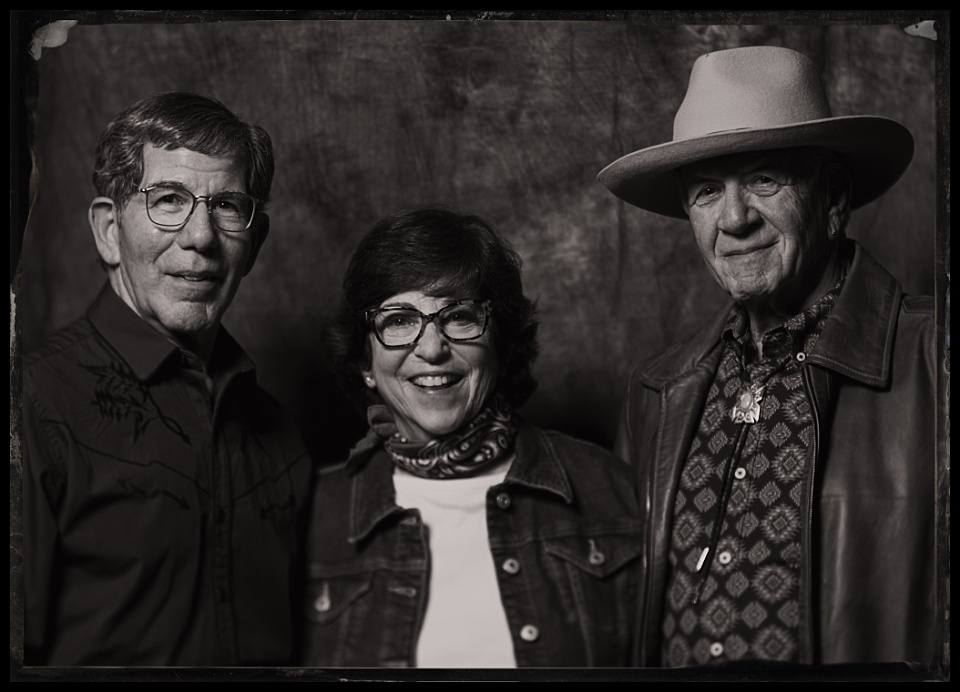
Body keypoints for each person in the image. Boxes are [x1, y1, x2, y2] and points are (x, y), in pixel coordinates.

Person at [597, 45, 936, 667]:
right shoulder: (657, 390)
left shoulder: (936, 361)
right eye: (705, 192)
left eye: (763, 180)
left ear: (833, 196)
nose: (733, 219)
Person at [21, 91, 311, 666]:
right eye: (169, 200)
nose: (200, 237)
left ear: (254, 244)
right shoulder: (32, 406)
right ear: (109, 230)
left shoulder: (283, 440)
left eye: (227, 206)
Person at [301, 206, 641, 668]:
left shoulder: (607, 489)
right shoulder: (314, 515)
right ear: (365, 362)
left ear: (501, 343)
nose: (432, 347)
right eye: (398, 321)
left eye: (458, 316)